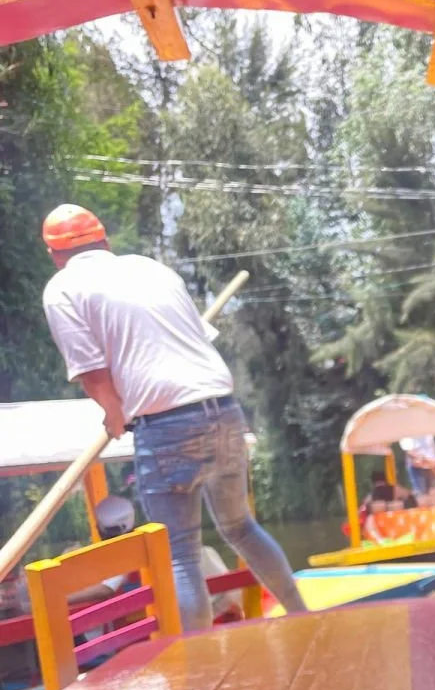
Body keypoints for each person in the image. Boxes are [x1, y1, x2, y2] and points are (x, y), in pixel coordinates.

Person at [40, 205, 306, 631]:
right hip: (223, 409)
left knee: (181, 552)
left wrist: (113, 414)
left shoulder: (62, 289)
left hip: (166, 424)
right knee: (240, 527)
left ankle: (199, 660)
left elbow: (91, 370)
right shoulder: (150, 269)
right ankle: (302, 615)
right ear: (105, 242)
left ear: (54, 255)